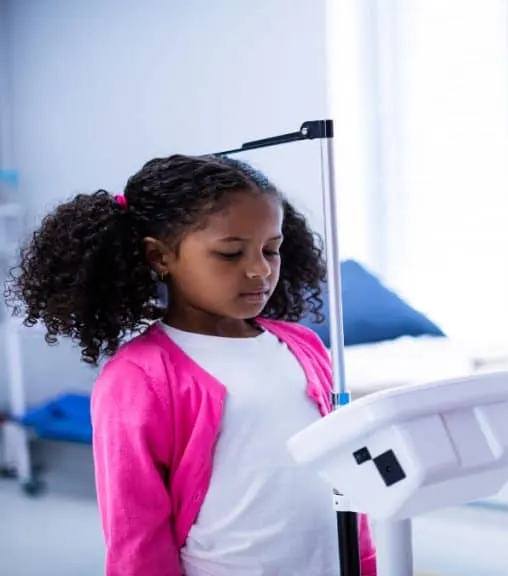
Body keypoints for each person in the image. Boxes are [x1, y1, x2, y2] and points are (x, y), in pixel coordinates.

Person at [6, 155, 377, 575]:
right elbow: (136, 530)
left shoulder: (303, 346)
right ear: (160, 257)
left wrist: (365, 563)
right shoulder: (140, 377)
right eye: (231, 253)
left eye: (271, 249)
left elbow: (345, 477)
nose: (259, 270)